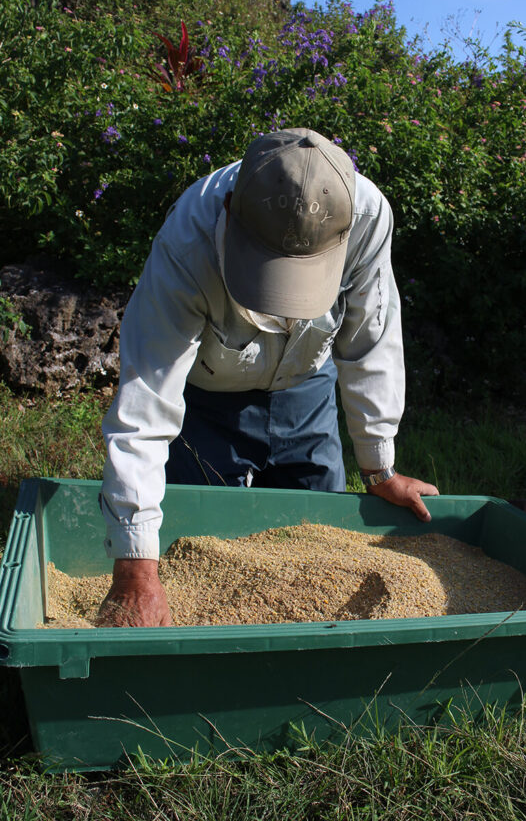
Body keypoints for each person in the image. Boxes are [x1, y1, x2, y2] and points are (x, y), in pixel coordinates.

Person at [97, 128, 439, 627]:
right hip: (207, 400)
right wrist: (134, 571)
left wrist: (380, 467)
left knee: (322, 546)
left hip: (307, 388)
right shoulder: (187, 240)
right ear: (231, 209)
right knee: (194, 543)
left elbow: (371, 341)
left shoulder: (365, 218)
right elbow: (146, 399)